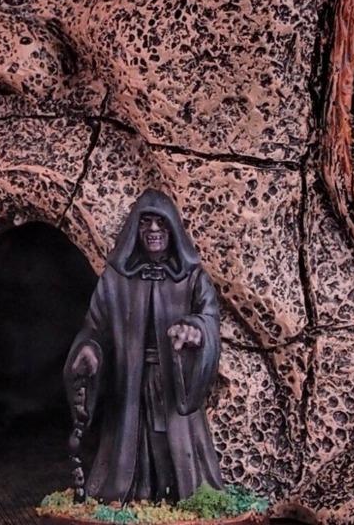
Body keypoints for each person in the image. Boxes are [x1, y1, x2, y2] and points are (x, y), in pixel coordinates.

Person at [64, 189, 223, 504]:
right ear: (134, 229)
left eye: (161, 223)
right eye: (145, 222)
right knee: (132, 440)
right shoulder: (115, 280)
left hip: (174, 382)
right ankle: (136, 497)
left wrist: (195, 330)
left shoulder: (192, 278)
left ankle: (177, 498)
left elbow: (210, 319)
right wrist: (90, 350)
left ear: (172, 229)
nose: (153, 229)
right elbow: (95, 327)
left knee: (171, 440)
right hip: (130, 382)